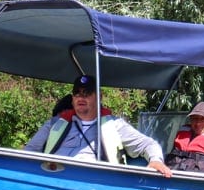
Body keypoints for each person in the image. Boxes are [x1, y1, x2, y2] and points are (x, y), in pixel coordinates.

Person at [25, 75, 172, 177]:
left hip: (92, 185)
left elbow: (149, 144)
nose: (81, 97)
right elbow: (28, 152)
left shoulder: (114, 125)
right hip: (52, 178)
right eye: (77, 93)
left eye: (87, 93)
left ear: (99, 97)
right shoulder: (55, 123)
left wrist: (156, 160)